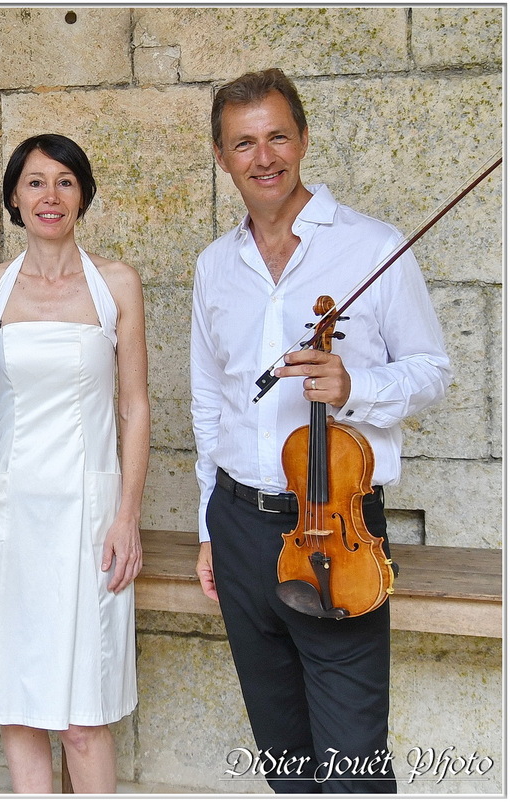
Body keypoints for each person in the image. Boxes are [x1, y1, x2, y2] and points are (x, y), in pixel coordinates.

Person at [190, 68, 451, 793]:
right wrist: (209, 526)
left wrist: (355, 387)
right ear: (222, 156)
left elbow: (432, 368)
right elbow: (210, 401)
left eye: (277, 136)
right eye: (244, 143)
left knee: (353, 767)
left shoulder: (373, 247)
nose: (264, 157)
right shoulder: (216, 267)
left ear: (302, 139)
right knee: (284, 759)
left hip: (338, 529)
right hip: (240, 528)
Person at [0, 134, 149, 794]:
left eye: (64, 182)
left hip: (87, 513)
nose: (49, 196)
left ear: (83, 195)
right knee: (15, 705)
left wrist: (126, 516)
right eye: (34, 183)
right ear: (13, 200)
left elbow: (134, 407)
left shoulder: (117, 285)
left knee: (84, 716)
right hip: (4, 509)